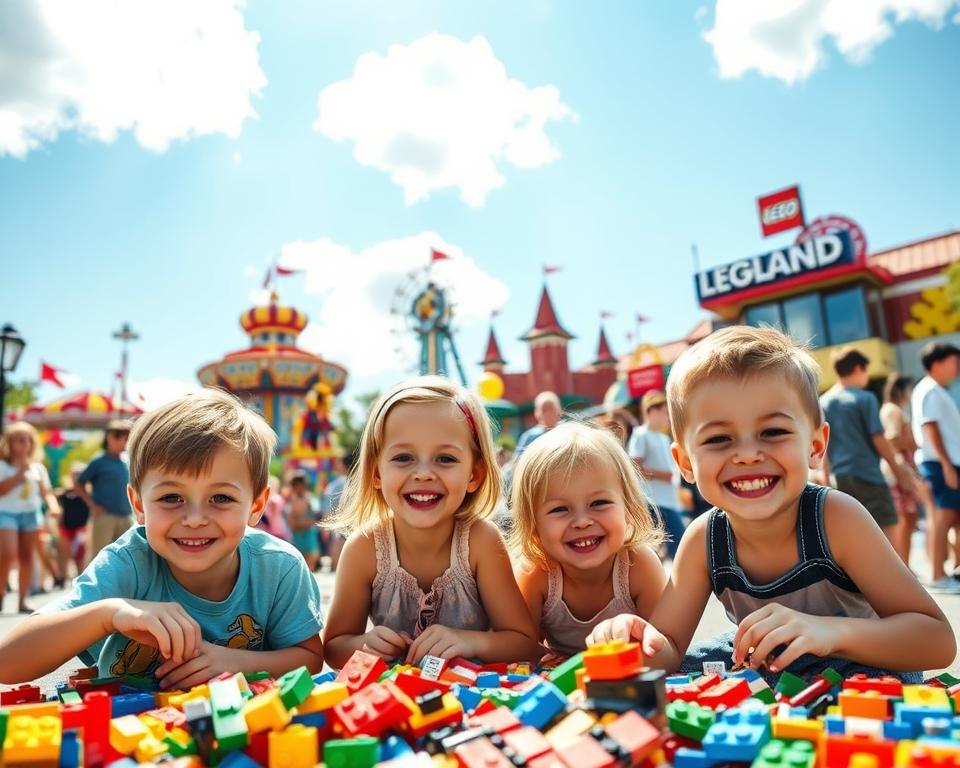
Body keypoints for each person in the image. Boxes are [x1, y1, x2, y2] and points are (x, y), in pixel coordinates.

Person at [588, 326, 954, 682]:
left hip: (854, 664)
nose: (747, 454)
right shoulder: (705, 539)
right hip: (763, 665)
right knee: (688, 667)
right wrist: (637, 639)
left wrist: (829, 633)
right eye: (718, 438)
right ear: (685, 462)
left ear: (815, 446)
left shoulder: (836, 518)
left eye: (773, 432)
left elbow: (936, 641)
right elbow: (667, 648)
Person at [0, 389, 324, 686]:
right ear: (139, 505)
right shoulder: (128, 563)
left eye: (221, 498)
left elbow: (309, 658)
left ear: (256, 506)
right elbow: (8, 663)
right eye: (171, 498)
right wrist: (109, 614)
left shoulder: (279, 568)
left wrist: (236, 662)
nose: (195, 519)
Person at [322, 376, 539, 668]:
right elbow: (334, 647)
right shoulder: (364, 548)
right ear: (376, 473)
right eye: (403, 457)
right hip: (396, 704)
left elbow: (524, 643)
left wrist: (469, 641)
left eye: (445, 459)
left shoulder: (481, 542)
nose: (423, 473)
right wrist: (365, 644)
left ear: (474, 475)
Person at [509, 421, 666, 657]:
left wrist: (640, 636)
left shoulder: (639, 565)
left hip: (632, 677)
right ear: (533, 524)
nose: (582, 521)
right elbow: (520, 648)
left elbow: (667, 647)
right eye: (560, 509)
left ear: (629, 507)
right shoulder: (537, 573)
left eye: (599, 503)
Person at [819, 347, 911, 545]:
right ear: (859, 368)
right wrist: (899, 472)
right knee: (888, 528)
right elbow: (878, 438)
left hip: (840, 479)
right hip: (868, 475)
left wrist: (825, 477)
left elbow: (822, 445)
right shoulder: (865, 398)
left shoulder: (823, 402)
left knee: (854, 535)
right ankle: (892, 576)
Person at [912, 341, 960, 590]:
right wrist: (947, 465)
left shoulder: (938, 390)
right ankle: (937, 575)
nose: (958, 367)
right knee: (943, 518)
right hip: (941, 463)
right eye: (954, 362)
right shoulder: (929, 390)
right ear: (937, 364)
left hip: (948, 462)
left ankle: (954, 570)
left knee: (954, 518)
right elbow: (930, 427)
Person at [0, 422, 61, 614]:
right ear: (10, 443)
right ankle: (1, 593)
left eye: (28, 441)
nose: (25, 445)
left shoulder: (38, 468)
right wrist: (19, 475)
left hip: (30, 514)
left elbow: (46, 492)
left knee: (26, 557)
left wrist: (53, 506)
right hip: (7, 513)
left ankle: (22, 601)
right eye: (20, 441)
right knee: (8, 554)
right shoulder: (3, 466)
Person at [628, 390, 686, 559]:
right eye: (663, 412)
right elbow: (635, 469)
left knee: (662, 553)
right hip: (654, 502)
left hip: (670, 501)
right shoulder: (641, 435)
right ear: (651, 411)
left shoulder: (663, 438)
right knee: (680, 545)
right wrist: (663, 476)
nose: (667, 417)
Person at [879, 374, 928, 569]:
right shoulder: (892, 410)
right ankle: (903, 567)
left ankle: (904, 566)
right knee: (906, 519)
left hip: (902, 468)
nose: (910, 393)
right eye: (908, 389)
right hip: (900, 470)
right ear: (900, 389)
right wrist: (911, 442)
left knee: (909, 518)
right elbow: (892, 439)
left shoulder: (891, 409)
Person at [72, 419, 134, 561]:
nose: (127, 443)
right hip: (105, 516)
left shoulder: (126, 461)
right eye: (125, 439)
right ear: (111, 437)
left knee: (126, 555)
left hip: (125, 515)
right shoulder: (98, 462)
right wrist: (92, 505)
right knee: (100, 557)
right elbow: (79, 484)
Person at [53, 464, 92, 582]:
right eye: (74, 474)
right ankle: (62, 578)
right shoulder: (64, 494)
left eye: (79, 474)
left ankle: (81, 577)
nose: (77, 477)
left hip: (81, 527)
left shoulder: (88, 494)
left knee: (80, 554)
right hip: (66, 527)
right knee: (64, 552)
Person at [287, 472, 319, 571]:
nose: (299, 487)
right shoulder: (290, 500)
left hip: (308, 534)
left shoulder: (310, 499)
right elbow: (292, 522)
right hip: (298, 535)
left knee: (309, 563)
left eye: (301, 484)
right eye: (296, 485)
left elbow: (315, 518)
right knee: (298, 564)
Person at [515, 391, 562, 457]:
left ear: (559, 410)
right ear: (537, 413)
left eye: (551, 408)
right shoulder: (530, 437)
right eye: (544, 409)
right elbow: (518, 461)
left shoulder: (568, 435)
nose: (548, 413)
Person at [254, 476, 291, 541]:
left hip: (275, 531)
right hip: (271, 531)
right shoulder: (272, 498)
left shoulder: (275, 499)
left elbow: (274, 509)